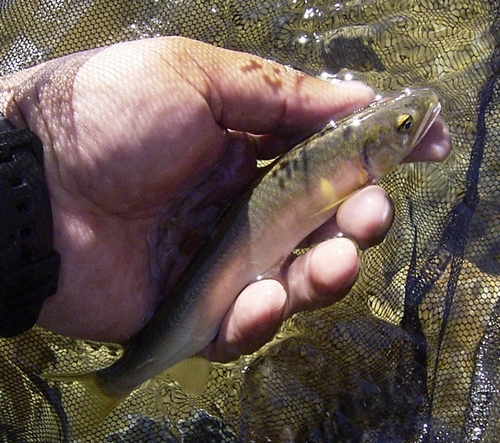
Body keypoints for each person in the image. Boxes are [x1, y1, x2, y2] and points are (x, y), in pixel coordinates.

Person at [0, 36, 451, 362]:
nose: (412, 126)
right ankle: (128, 373)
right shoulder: (354, 157)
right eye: (405, 126)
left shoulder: (355, 154)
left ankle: (137, 366)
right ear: (368, 150)